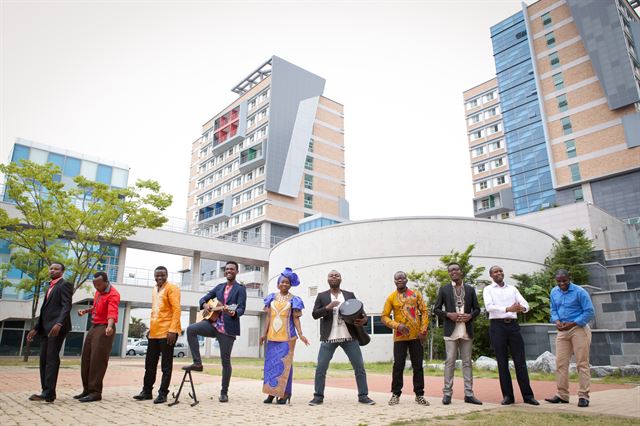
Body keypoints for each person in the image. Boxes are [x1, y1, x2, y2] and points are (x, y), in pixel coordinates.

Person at [308, 270, 375, 406]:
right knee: (321, 368)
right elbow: (315, 314)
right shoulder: (322, 296)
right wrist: (328, 307)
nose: (334, 277)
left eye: (336, 275)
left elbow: (360, 312)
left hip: (349, 337)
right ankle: (318, 397)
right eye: (331, 275)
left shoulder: (349, 294)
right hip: (329, 338)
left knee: (359, 367)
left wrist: (365, 320)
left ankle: (363, 396)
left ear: (341, 278)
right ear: (327, 279)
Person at [183, 260, 247, 403]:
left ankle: (224, 392)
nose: (229, 271)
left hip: (227, 330)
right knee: (191, 329)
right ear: (225, 272)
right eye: (227, 269)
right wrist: (205, 305)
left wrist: (233, 312)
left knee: (225, 361)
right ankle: (197, 363)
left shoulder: (240, 289)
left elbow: (241, 308)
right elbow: (203, 299)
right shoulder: (219, 287)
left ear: (237, 272)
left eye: (232, 269)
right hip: (213, 324)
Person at [483, 265, 539, 406]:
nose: (499, 273)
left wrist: (522, 308)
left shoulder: (512, 289)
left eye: (501, 271)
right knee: (502, 362)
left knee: (520, 362)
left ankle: (528, 396)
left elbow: (525, 304)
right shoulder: (488, 290)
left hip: (513, 326)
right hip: (497, 327)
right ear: (491, 275)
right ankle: (508, 396)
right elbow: (489, 307)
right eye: (495, 272)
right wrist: (508, 308)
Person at [433, 262, 482, 405]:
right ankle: (447, 394)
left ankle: (469, 394)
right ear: (449, 273)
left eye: (456, 269)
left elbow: (477, 309)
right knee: (450, 362)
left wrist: (470, 316)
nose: (453, 272)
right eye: (450, 270)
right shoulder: (444, 289)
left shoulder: (470, 289)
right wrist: (449, 314)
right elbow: (436, 309)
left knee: (467, 362)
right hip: (451, 330)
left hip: (466, 330)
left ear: (461, 271)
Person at [545, 269, 594, 408]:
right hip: (562, 331)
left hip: (578, 329)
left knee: (582, 363)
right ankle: (562, 395)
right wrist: (557, 321)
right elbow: (553, 309)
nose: (561, 284)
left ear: (569, 278)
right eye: (559, 281)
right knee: (560, 363)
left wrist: (572, 323)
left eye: (564, 280)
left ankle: (584, 396)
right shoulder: (554, 292)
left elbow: (589, 312)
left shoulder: (580, 292)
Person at [260, 267, 309, 404]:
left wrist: (301, 334)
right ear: (278, 284)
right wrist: (264, 334)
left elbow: (296, 318)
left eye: (287, 282)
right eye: (282, 282)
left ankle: (285, 393)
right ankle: (271, 392)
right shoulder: (271, 297)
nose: (284, 284)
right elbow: (269, 317)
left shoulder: (294, 299)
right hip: (272, 337)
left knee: (285, 364)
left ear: (290, 284)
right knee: (270, 364)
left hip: (288, 337)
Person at [133, 266, 181, 404]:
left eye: (162, 275)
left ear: (167, 275)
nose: (160, 278)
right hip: (154, 332)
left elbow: (177, 309)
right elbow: (155, 311)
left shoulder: (172, 288)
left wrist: (173, 330)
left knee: (166, 365)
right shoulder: (154, 289)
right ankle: (147, 391)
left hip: (168, 332)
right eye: (157, 276)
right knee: (150, 364)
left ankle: (163, 393)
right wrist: (150, 329)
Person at [381, 271, 430, 406]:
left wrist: (423, 330)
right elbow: (384, 316)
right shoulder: (391, 298)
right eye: (397, 278)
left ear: (406, 279)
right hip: (400, 337)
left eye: (402, 278)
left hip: (416, 336)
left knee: (418, 366)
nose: (400, 280)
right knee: (398, 366)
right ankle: (395, 394)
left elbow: (425, 312)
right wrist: (396, 325)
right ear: (394, 281)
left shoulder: (416, 295)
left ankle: (419, 395)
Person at [26, 262, 73, 403]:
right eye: (51, 268)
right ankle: (46, 391)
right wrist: (36, 328)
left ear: (62, 271)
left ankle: (49, 393)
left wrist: (59, 323)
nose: (52, 271)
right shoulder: (50, 287)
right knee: (44, 359)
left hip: (57, 328)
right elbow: (44, 311)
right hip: (45, 328)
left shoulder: (65, 285)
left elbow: (66, 305)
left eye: (56, 269)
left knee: (51, 359)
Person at [74, 271, 121, 402]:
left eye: (98, 285)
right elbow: (96, 308)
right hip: (94, 326)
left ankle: (95, 392)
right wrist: (86, 311)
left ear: (106, 282)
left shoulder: (113, 294)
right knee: (86, 358)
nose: (96, 287)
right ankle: (87, 390)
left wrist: (110, 326)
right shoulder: (98, 292)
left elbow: (112, 311)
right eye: (94, 285)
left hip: (105, 327)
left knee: (97, 360)